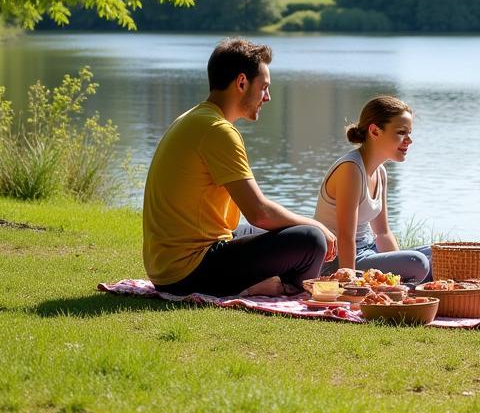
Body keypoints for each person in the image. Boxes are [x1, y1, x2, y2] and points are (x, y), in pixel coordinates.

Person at [142, 38, 335, 298]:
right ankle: (286, 289)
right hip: (188, 272)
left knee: (279, 231)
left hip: (166, 268)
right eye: (264, 87)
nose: (268, 97)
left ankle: (270, 281)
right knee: (311, 239)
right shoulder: (218, 130)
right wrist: (316, 224)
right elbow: (259, 212)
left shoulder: (194, 118)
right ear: (242, 82)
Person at [315, 96, 431, 284]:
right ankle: (411, 283)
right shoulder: (351, 169)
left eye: (409, 133)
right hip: (339, 261)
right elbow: (345, 237)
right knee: (418, 263)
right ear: (375, 131)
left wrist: (396, 270)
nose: (409, 140)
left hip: (368, 252)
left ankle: (408, 283)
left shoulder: (380, 172)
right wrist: (349, 284)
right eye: (401, 132)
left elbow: (383, 233)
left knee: (437, 253)